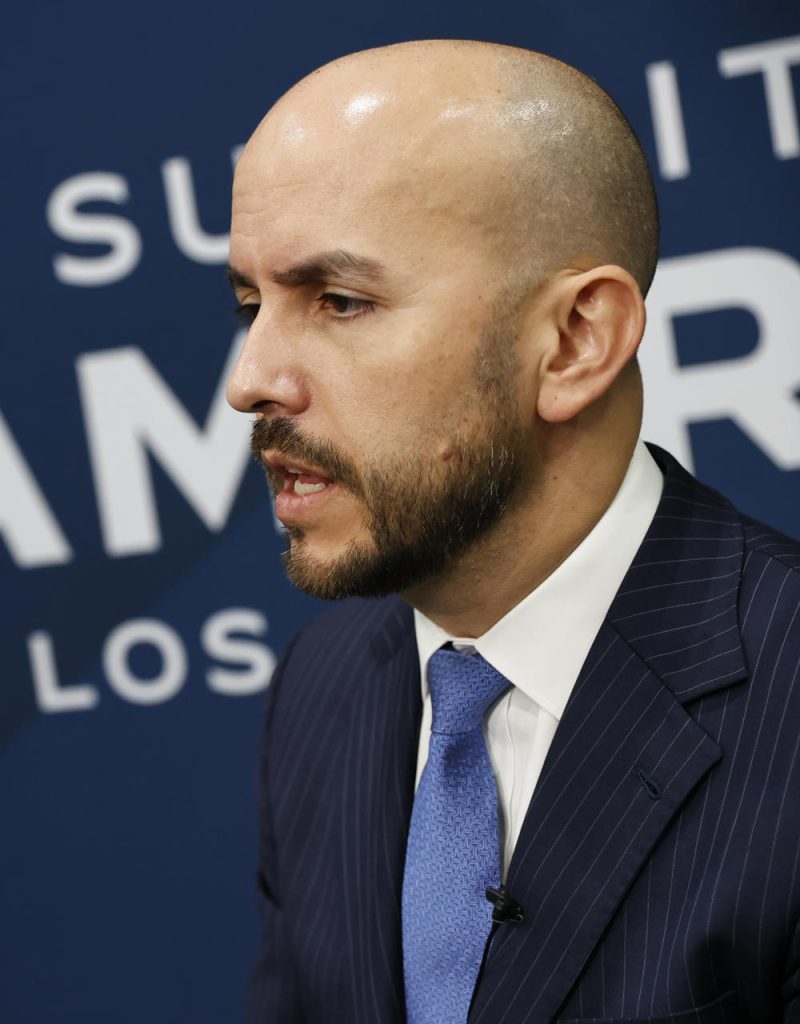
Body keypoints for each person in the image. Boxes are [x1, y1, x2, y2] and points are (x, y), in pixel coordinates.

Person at [229, 39, 800, 1023]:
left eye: (341, 302)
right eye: (249, 303)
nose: (251, 380)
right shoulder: (323, 689)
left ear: (575, 342)